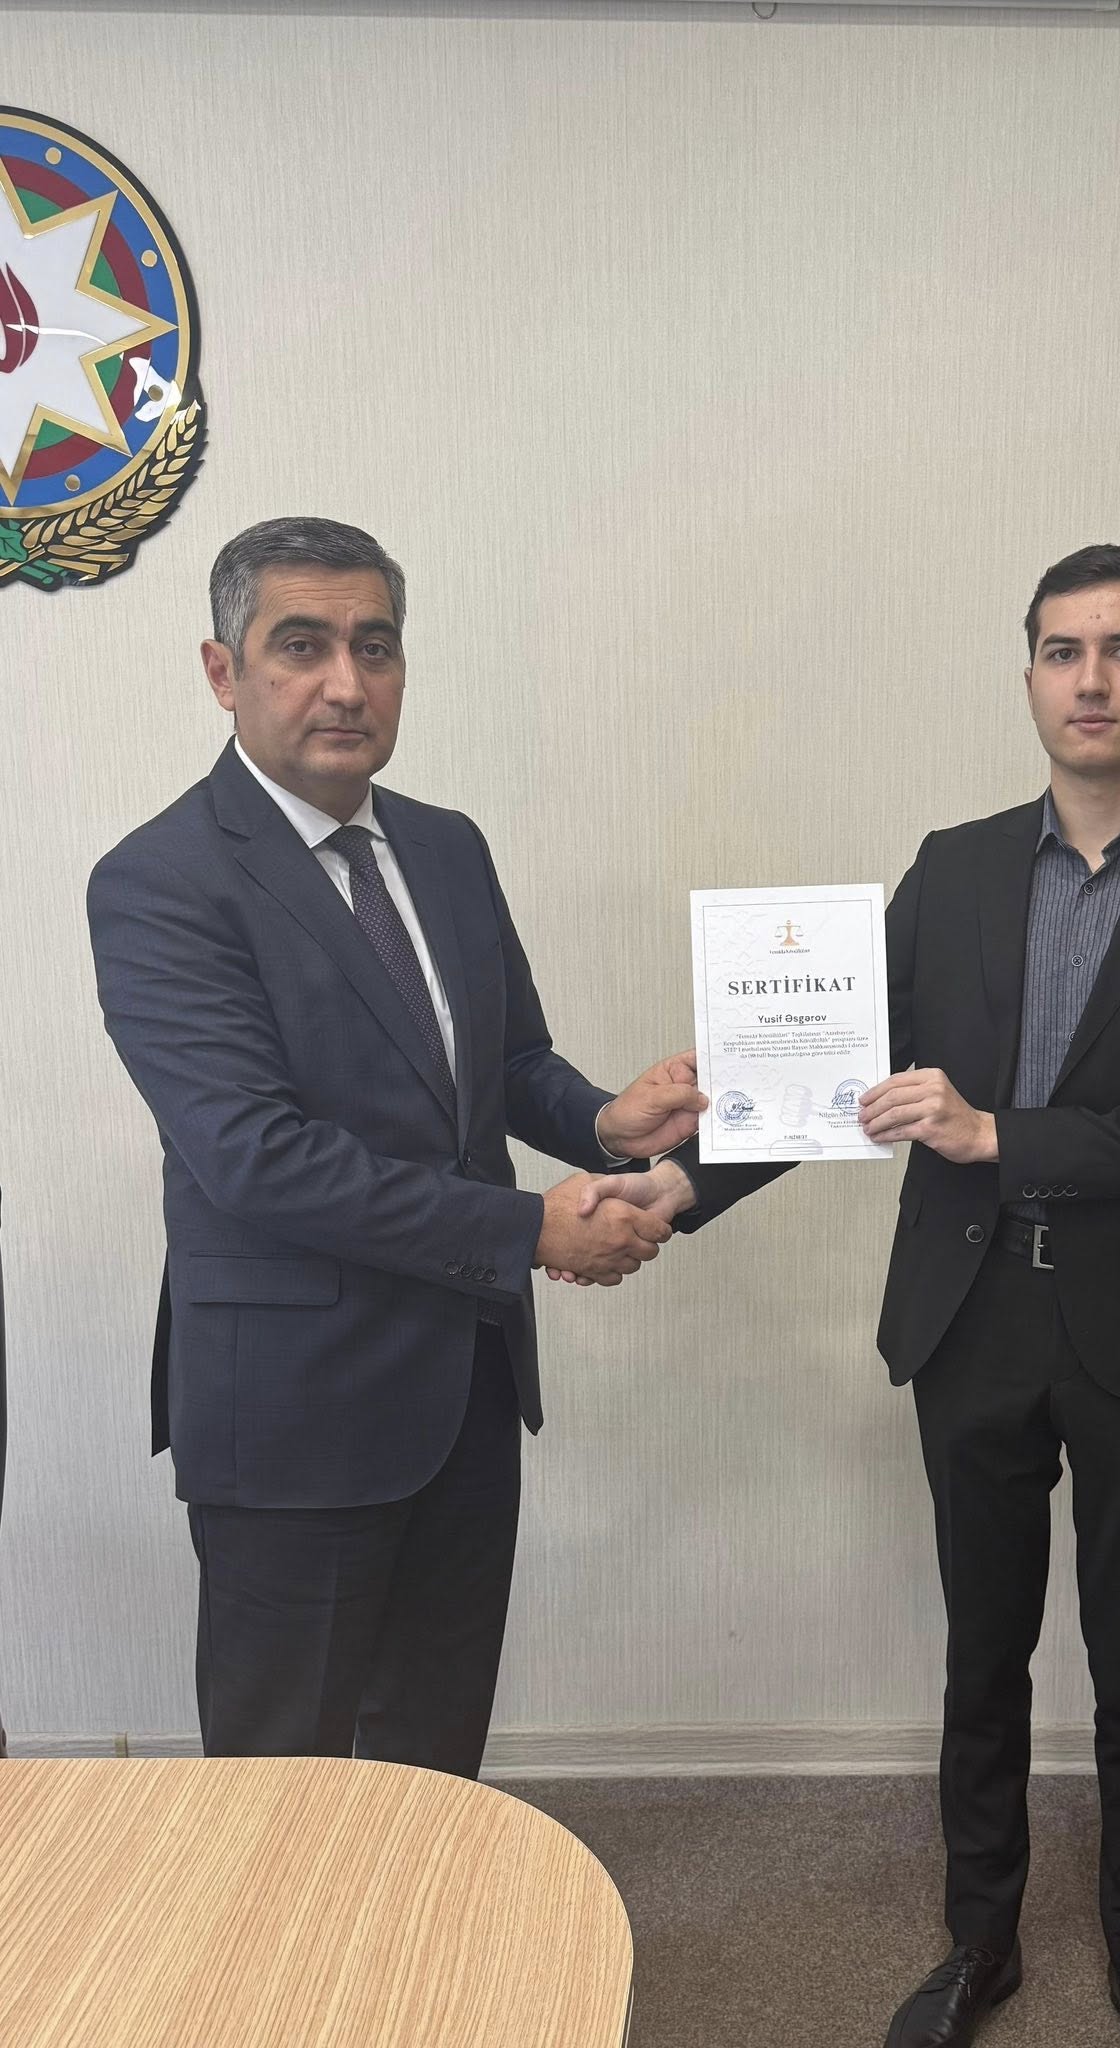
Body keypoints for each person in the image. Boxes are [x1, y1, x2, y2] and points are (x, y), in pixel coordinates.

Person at [576, 544, 1120, 2047]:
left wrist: (997, 1134)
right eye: (1061, 650)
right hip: (969, 1314)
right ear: (1027, 675)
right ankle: (980, 1942)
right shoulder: (954, 865)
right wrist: (677, 1186)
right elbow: (826, 1077)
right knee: (983, 1651)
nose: (1090, 679)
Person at [87, 516, 701, 1778]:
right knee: (284, 1789)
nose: (345, 682)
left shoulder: (445, 845)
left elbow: (504, 1061)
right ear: (223, 671)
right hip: (291, 1409)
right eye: (300, 645)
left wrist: (602, 1119)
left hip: (463, 1385)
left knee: (433, 1766)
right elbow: (255, 1154)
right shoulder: (160, 879)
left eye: (374, 646)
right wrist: (531, 1228)